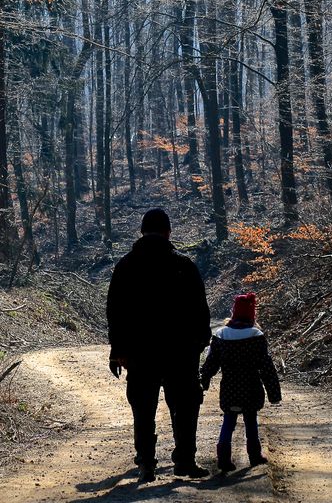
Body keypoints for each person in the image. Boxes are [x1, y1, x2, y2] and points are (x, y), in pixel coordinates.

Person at [106, 207, 211, 483]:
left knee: (143, 409)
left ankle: (147, 464)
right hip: (180, 352)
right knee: (186, 406)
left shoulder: (126, 267)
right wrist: (201, 342)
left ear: (141, 231)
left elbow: (115, 312)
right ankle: (185, 461)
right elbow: (201, 309)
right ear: (168, 232)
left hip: (140, 353)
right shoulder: (184, 265)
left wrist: (117, 351)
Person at [200, 291, 281, 473]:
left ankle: (223, 458)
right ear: (252, 314)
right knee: (251, 421)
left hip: (229, 388)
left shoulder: (221, 335)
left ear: (234, 312)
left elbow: (211, 364)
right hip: (251, 388)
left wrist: (203, 382)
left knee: (228, 422)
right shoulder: (256, 336)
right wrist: (274, 394)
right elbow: (266, 367)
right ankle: (254, 456)